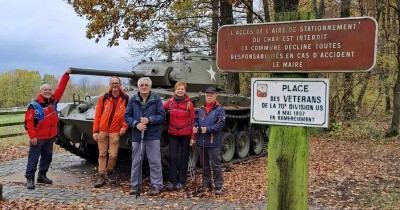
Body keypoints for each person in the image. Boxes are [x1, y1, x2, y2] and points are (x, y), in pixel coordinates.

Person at [24, 68, 71, 190]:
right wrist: (32, 136)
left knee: (47, 157)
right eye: (45, 90)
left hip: (50, 137)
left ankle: (42, 176)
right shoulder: (33, 105)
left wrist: (66, 74)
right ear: (41, 91)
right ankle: (29, 178)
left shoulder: (53, 101)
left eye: (50, 90)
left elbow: (61, 88)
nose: (48, 91)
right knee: (33, 158)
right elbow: (28, 123)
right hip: (38, 138)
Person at [124, 77, 165, 196]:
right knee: (136, 161)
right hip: (137, 135)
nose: (144, 87)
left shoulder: (156, 99)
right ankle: (134, 185)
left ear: (150, 86)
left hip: (152, 135)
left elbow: (161, 116)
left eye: (146, 85)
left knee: (155, 161)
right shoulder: (133, 99)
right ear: (138, 87)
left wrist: (149, 120)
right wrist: (136, 124)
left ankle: (156, 185)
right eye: (141, 85)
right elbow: (127, 116)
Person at [92, 76, 129, 188]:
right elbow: (98, 114)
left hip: (115, 130)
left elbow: (127, 114)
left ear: (120, 84)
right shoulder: (104, 97)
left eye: (116, 83)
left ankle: (109, 172)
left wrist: (124, 127)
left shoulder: (125, 98)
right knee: (102, 154)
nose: (114, 85)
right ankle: (101, 175)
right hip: (103, 130)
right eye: (113, 83)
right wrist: (95, 130)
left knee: (113, 155)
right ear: (110, 84)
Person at [191, 87, 225, 195]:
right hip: (202, 141)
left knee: (215, 165)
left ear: (215, 97)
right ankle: (206, 184)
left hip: (213, 142)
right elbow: (196, 120)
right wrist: (195, 127)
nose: (209, 97)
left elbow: (221, 124)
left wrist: (208, 129)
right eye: (207, 96)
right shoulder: (201, 109)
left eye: (211, 96)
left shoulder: (219, 109)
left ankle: (218, 186)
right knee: (204, 164)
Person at [163, 82, 195, 191]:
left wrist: (192, 137)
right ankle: (172, 181)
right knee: (173, 157)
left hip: (185, 134)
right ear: (175, 90)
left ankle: (181, 181)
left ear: (185, 91)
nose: (180, 91)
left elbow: (193, 122)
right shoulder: (170, 102)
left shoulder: (188, 104)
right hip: (173, 133)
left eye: (182, 89)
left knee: (183, 157)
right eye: (178, 89)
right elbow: (161, 108)